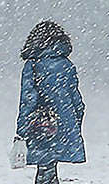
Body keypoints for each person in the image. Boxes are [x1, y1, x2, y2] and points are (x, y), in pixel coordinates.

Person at [16, 21, 85, 184]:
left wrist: (21, 130)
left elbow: (28, 99)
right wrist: (74, 122)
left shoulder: (33, 65)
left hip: (39, 123)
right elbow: (77, 100)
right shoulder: (66, 65)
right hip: (63, 121)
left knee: (44, 167)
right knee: (51, 165)